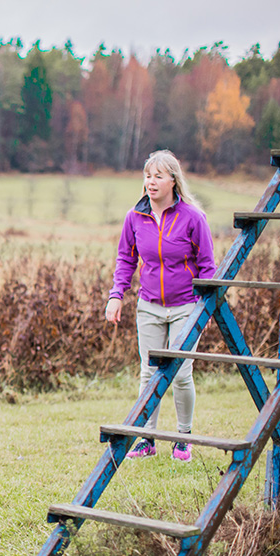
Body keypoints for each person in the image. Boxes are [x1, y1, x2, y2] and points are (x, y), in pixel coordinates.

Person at [105, 149, 216, 462]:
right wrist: (116, 295)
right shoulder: (134, 217)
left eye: (158, 176)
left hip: (187, 306)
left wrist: (206, 306)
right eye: (148, 176)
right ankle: (146, 439)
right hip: (149, 306)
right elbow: (126, 259)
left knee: (180, 374)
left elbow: (208, 264)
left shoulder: (194, 217)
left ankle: (183, 438)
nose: (151, 182)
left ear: (173, 181)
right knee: (149, 373)